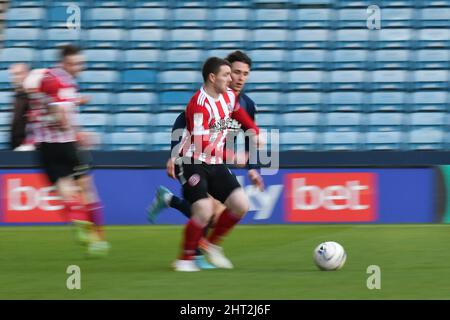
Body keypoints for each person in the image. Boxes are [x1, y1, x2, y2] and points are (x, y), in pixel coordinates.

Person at [146, 51, 264, 269]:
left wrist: (254, 131)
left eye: (238, 74)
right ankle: (185, 258)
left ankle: (211, 246)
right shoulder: (198, 105)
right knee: (204, 210)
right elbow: (200, 145)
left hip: (215, 162)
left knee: (241, 204)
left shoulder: (229, 96)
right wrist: (233, 156)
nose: (233, 79)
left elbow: (238, 114)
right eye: (229, 74)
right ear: (212, 77)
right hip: (191, 161)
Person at [33, 44, 109, 257]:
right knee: (87, 189)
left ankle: (79, 223)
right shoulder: (62, 82)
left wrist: (77, 102)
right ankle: (98, 239)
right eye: (77, 64)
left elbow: (48, 104)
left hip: (46, 145)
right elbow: (58, 111)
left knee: (66, 191)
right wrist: (76, 132)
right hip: (66, 143)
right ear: (65, 63)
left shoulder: (47, 77)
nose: (80, 67)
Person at [8, 63, 33, 151]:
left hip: (28, 147)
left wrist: (29, 144)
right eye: (13, 74)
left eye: (18, 74)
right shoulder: (17, 96)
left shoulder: (32, 96)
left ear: (27, 74)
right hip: (16, 146)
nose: (15, 77)